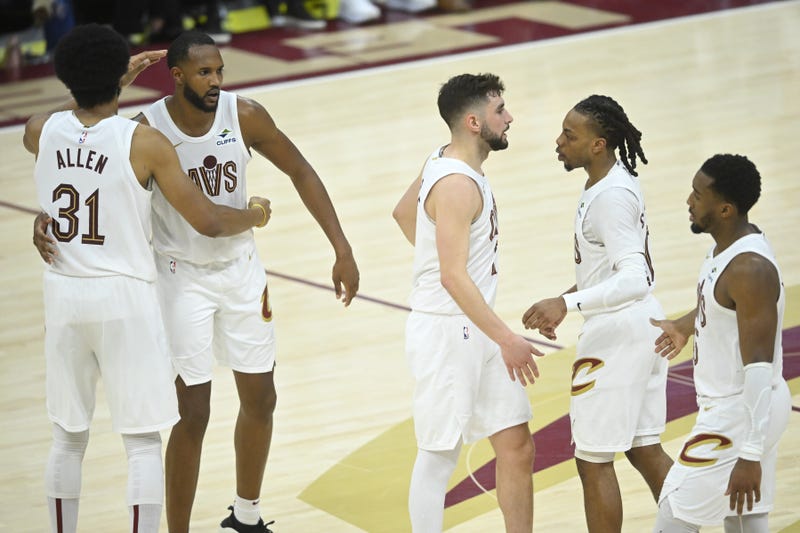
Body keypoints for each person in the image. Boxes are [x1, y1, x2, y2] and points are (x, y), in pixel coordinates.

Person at [35, 29, 359, 533]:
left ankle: (246, 515)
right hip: (178, 276)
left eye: (220, 70)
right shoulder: (147, 129)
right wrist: (252, 214)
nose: (215, 81)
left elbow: (302, 171)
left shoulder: (244, 115)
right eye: (204, 72)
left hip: (240, 272)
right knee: (193, 412)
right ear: (178, 74)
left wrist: (341, 247)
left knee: (262, 397)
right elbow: (99, 163)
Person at [392, 73, 540, 533]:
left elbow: (403, 212)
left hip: (475, 325)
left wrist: (436, 249)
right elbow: (452, 277)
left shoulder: (442, 158)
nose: (509, 117)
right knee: (439, 456)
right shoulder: (457, 184)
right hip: (448, 332)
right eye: (500, 110)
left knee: (516, 444)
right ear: (474, 122)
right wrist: (508, 339)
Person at [521, 95, 673, 532]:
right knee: (644, 449)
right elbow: (611, 270)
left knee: (592, 459)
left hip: (619, 334)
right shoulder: (614, 182)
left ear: (598, 145)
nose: (559, 141)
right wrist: (569, 299)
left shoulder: (611, 198)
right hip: (638, 324)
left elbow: (637, 276)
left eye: (570, 135)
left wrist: (565, 303)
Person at [649, 154, 791, 532]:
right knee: (745, 520)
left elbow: (758, 367)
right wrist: (684, 325)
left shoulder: (749, 269)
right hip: (745, 410)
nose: (689, 201)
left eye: (698, 194)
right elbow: (722, 304)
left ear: (725, 209)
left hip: (739, 414)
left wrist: (750, 452)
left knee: (673, 515)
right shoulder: (730, 247)